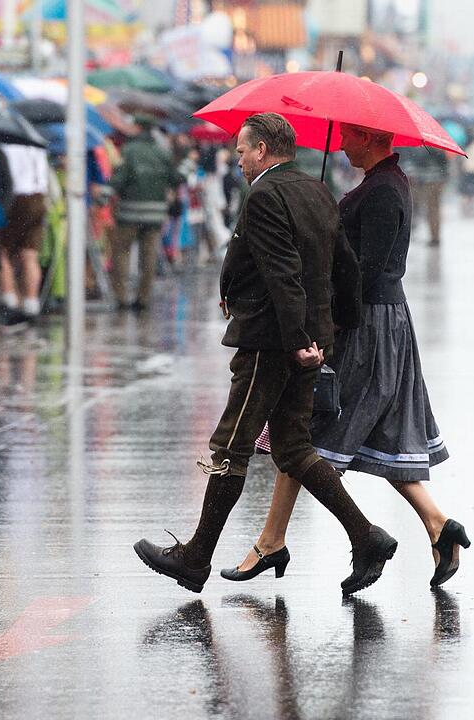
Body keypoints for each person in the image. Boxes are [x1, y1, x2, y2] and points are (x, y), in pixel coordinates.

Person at [134, 113, 397, 597]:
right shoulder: (316, 191)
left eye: (241, 151)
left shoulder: (266, 195)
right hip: (307, 337)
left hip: (272, 340)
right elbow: (345, 267)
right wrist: (336, 328)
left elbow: (283, 273)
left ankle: (195, 559)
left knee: (232, 444)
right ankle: (366, 536)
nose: (237, 160)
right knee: (293, 447)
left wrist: (297, 338)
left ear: (262, 151)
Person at [222, 122, 470, 590]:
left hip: (366, 324)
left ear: (375, 138)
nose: (341, 144)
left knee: (302, 430)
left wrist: (328, 319)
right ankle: (438, 524)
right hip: (378, 321)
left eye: (350, 137)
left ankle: (275, 540)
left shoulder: (382, 192)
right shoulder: (381, 185)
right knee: (352, 434)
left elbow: (365, 270)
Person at [108, 115, 181, 312]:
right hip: (155, 214)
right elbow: (175, 179)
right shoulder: (162, 153)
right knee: (148, 257)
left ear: (139, 128)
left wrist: (107, 192)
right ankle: (143, 299)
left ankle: (122, 298)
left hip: (129, 213)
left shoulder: (129, 151)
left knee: (121, 253)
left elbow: (119, 180)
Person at [0, 142, 49, 326]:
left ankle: (9, 300)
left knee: (2, 250)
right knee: (30, 254)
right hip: (39, 197)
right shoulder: (38, 147)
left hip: (16, 198)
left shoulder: (6, 148)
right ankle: (31, 303)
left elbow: (3, 177)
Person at [400, 145, 449, 245]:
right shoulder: (438, 148)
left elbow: (420, 162)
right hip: (435, 180)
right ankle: (434, 236)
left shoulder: (425, 149)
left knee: (431, 209)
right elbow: (444, 164)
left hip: (430, 181)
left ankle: (434, 237)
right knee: (432, 209)